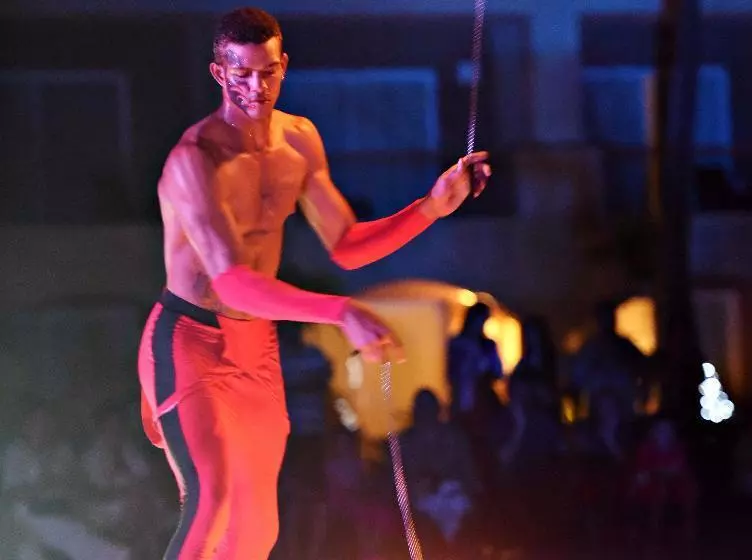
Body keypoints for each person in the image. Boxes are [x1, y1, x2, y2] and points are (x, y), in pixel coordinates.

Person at [136, 7, 491, 560]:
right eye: (242, 73)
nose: (256, 87)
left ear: (284, 66)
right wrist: (340, 312)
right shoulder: (195, 160)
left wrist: (431, 207)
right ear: (218, 73)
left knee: (256, 531)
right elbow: (232, 284)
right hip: (192, 339)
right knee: (212, 501)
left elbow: (345, 243)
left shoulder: (298, 141)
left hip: (256, 348)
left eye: (268, 72)